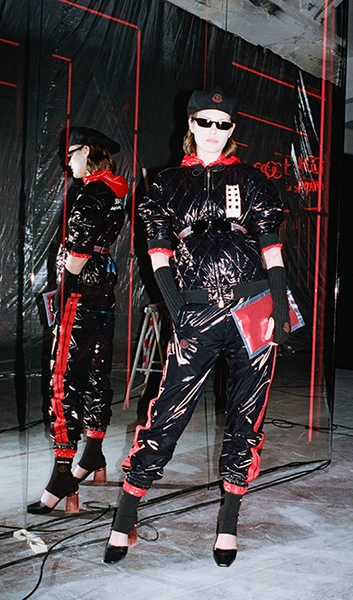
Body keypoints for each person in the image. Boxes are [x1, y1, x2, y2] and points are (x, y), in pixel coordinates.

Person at [104, 87, 290, 566]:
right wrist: (176, 310)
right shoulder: (167, 183)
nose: (213, 131)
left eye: (222, 124)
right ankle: (127, 512)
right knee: (167, 412)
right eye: (204, 121)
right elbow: (158, 252)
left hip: (253, 308)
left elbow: (271, 245)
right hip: (197, 311)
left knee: (247, 415)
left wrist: (279, 306)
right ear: (190, 124)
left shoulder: (252, 179)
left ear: (232, 130)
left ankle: (228, 520)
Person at [28, 127, 128, 514]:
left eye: (71, 154)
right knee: (97, 372)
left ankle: (63, 473)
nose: (66, 161)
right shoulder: (114, 190)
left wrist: (64, 288)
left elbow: (79, 250)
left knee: (63, 379)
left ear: (87, 151)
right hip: (102, 290)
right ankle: (93, 453)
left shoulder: (90, 193)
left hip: (80, 293)